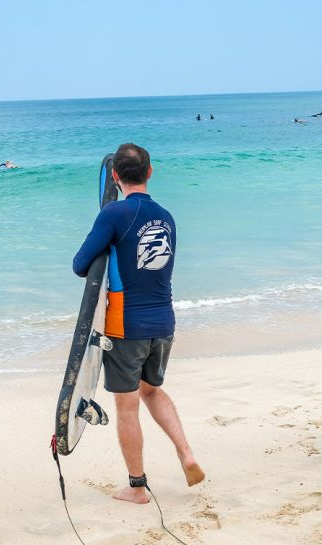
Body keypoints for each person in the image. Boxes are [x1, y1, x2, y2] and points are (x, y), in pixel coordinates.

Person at [72, 143, 205, 504]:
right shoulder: (166, 216)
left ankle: (136, 487)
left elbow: (81, 264)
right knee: (152, 391)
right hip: (164, 322)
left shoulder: (114, 214)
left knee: (128, 405)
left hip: (126, 327)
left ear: (114, 176)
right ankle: (186, 453)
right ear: (150, 172)